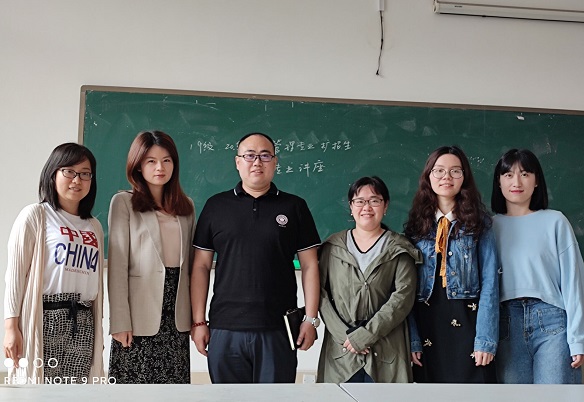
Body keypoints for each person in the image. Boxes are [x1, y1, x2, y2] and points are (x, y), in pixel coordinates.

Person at [190, 132, 321, 383]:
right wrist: (198, 322)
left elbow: (309, 265)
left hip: (278, 328)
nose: (257, 162)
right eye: (249, 155)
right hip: (225, 328)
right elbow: (201, 267)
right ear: (237, 161)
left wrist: (311, 319)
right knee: (228, 399)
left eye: (265, 156)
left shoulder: (295, 206)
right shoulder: (216, 206)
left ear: (275, 161)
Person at [4, 143, 104, 384]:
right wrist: (11, 327)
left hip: (82, 320)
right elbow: (15, 276)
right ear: (53, 174)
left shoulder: (94, 226)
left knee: (78, 394)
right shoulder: (35, 216)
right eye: (69, 171)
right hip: (45, 317)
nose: (77, 180)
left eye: (85, 174)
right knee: (39, 392)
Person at [405, 145, 498, 383]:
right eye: (439, 171)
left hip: (470, 322)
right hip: (428, 323)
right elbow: (406, 289)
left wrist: (485, 338)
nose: (447, 177)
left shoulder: (480, 224)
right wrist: (412, 339)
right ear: (428, 176)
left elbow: (490, 283)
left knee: (474, 393)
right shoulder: (416, 227)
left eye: (455, 171)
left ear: (464, 177)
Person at [108, 131, 195, 384]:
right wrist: (120, 322)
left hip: (176, 319)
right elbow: (117, 268)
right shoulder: (123, 202)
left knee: (174, 393)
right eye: (151, 161)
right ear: (138, 165)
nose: (160, 167)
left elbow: (191, 267)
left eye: (167, 160)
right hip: (138, 318)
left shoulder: (187, 207)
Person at [491, 148, 584, 384]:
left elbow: (574, 283)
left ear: (536, 181)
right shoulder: (488, 227)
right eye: (508, 175)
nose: (516, 182)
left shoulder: (555, 221)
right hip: (505, 323)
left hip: (552, 321)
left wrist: (578, 339)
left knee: (555, 397)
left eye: (525, 174)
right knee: (514, 398)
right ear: (499, 182)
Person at [317, 176, 421, 383]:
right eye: (360, 201)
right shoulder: (332, 247)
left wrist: (367, 335)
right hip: (341, 352)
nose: (367, 207)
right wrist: (346, 337)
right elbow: (320, 294)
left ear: (385, 206)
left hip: (387, 350)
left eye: (374, 200)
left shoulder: (400, 248)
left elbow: (403, 297)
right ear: (351, 206)